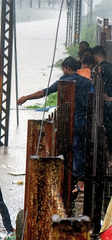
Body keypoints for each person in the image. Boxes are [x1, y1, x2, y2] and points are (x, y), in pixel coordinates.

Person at [18, 56, 92, 192]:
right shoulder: (87, 82)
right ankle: (79, 179)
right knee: (80, 147)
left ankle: (75, 178)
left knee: (70, 148)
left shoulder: (64, 81)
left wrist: (26, 98)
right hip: (84, 118)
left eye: (63, 68)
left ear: (67, 68)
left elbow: (44, 92)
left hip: (70, 120)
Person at [93, 45, 112, 156]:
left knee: (109, 128)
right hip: (108, 101)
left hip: (108, 103)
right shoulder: (109, 66)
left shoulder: (102, 69)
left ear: (96, 56)